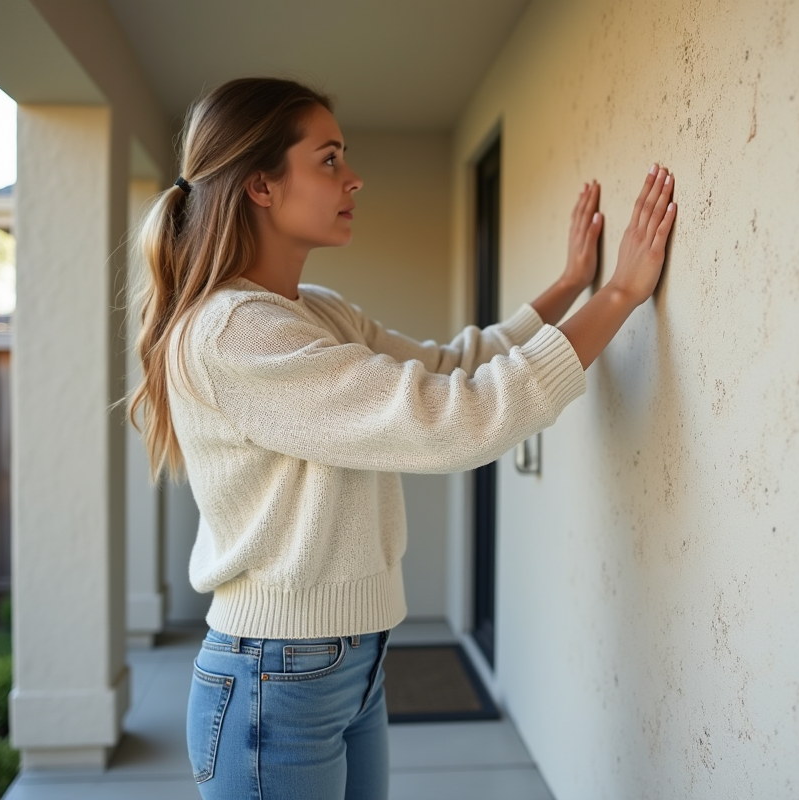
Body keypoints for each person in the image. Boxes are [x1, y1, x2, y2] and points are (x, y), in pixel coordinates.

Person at [128, 77, 677, 800]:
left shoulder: (314, 311)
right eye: (329, 159)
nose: (353, 178)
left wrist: (572, 285)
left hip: (347, 665)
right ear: (260, 185)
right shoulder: (236, 332)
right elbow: (455, 419)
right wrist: (619, 295)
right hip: (275, 681)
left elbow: (451, 366)